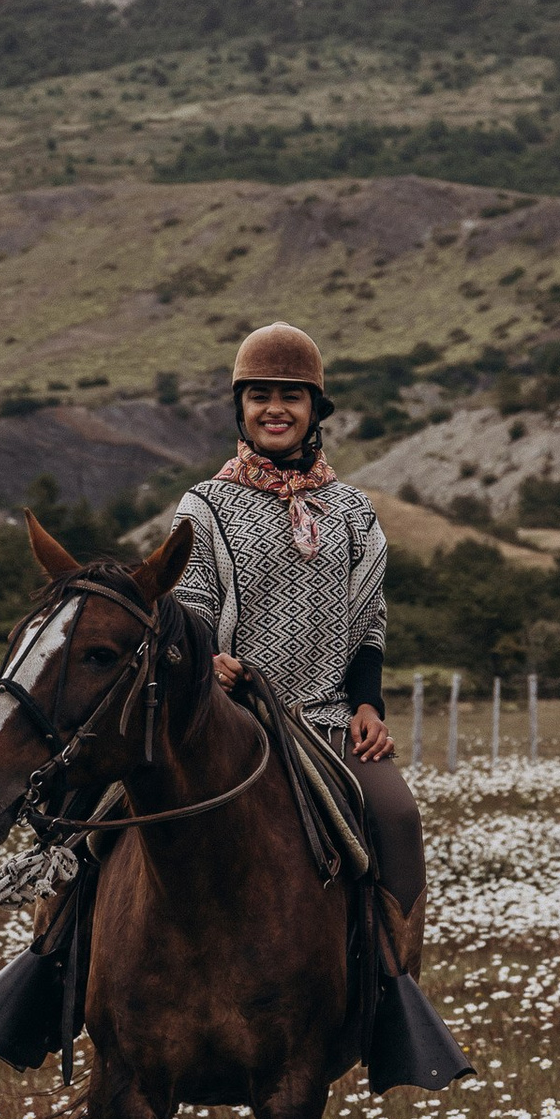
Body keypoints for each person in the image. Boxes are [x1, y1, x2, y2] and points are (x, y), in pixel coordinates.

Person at [165, 320, 428, 941]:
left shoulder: (353, 512)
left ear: (315, 410)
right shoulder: (202, 505)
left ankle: (396, 996)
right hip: (223, 714)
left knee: (398, 819)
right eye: (260, 396)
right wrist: (206, 661)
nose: (274, 410)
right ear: (240, 408)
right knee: (94, 814)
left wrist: (368, 705)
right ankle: (52, 967)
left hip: (328, 719)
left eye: (291, 396)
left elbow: (367, 623)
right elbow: (189, 603)